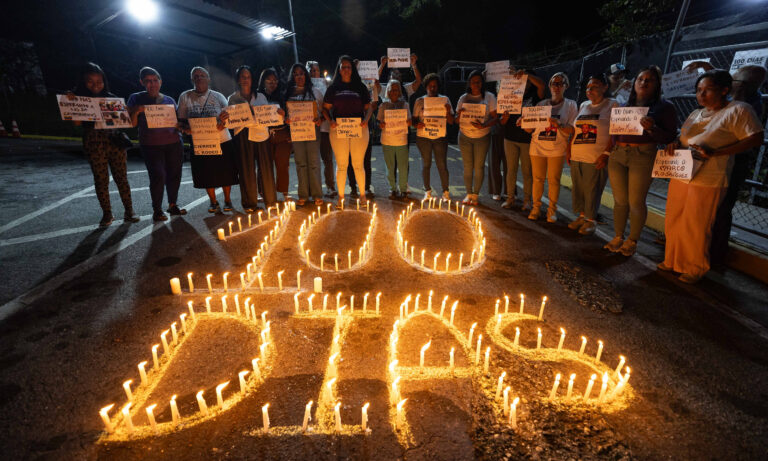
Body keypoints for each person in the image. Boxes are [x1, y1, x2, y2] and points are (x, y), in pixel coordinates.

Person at [659, 69, 763, 283]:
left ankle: (694, 266)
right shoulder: (696, 113)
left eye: (707, 90)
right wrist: (675, 144)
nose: (701, 95)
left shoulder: (738, 110)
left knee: (697, 223)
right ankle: (672, 260)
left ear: (724, 90)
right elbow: (683, 138)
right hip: (682, 173)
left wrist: (718, 152)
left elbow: (756, 138)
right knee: (674, 218)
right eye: (698, 90)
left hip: (710, 178)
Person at [604, 66, 678, 256]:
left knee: (636, 201)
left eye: (649, 80)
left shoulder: (664, 107)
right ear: (634, 83)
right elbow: (614, 133)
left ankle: (632, 240)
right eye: (640, 79)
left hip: (643, 156)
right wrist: (609, 152)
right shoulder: (623, 107)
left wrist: (652, 128)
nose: (643, 83)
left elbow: (668, 137)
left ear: (657, 84)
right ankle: (618, 236)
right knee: (620, 201)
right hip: (618, 155)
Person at [710, 65, 767, 264]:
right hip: (719, 160)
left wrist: (720, 151)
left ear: (741, 84)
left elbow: (753, 138)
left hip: (733, 162)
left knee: (722, 207)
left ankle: (716, 253)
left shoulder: (746, 105)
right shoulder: (744, 98)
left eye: (733, 81)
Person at [70, 62, 139, 227]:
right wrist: (71, 102)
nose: (95, 85)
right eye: (90, 81)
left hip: (114, 140)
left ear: (104, 81)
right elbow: (78, 123)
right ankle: (107, 214)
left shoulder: (112, 98)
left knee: (121, 178)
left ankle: (129, 211)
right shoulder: (79, 100)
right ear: (83, 82)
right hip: (93, 142)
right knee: (100, 180)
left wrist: (134, 112)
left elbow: (125, 123)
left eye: (99, 81)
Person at [127, 67, 186, 222]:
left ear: (160, 82)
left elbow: (177, 122)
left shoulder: (169, 100)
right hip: (151, 146)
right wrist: (137, 111)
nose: (152, 84)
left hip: (173, 143)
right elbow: (132, 124)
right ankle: (157, 209)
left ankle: (173, 204)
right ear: (142, 82)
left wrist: (180, 126)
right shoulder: (135, 98)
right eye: (148, 81)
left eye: (155, 81)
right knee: (158, 176)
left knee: (174, 175)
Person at [177, 66, 238, 213]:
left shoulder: (218, 96)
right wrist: (185, 129)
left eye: (202, 75)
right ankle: (213, 201)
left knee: (226, 172)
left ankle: (228, 200)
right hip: (200, 142)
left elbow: (230, 117)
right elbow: (181, 120)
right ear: (192, 79)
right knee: (205, 173)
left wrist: (223, 122)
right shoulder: (185, 97)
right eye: (196, 76)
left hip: (222, 140)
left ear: (208, 79)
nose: (199, 78)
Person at [568, 74, 619, 235]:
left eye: (595, 86)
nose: (590, 90)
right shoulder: (583, 105)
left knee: (592, 189)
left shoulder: (613, 104)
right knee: (579, 189)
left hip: (596, 156)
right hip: (577, 154)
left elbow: (616, 132)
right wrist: (569, 149)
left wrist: (606, 153)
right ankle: (582, 216)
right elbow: (575, 130)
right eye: (588, 87)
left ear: (605, 87)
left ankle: (591, 220)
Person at [524, 72, 578, 222]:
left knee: (554, 180)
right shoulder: (541, 105)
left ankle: (551, 210)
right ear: (549, 86)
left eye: (561, 83)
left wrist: (559, 124)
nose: (557, 86)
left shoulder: (571, 105)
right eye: (554, 83)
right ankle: (536, 208)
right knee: (538, 179)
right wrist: (523, 122)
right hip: (537, 147)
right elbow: (529, 130)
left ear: (566, 86)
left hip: (557, 148)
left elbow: (572, 129)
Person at [321, 55, 372, 207]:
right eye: (343, 67)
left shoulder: (360, 86)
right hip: (338, 131)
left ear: (352, 69)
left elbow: (369, 108)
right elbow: (325, 108)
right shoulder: (333, 88)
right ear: (339, 69)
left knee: (358, 164)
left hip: (359, 129)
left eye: (348, 67)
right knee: (342, 164)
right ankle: (341, 197)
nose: (346, 70)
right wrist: (330, 121)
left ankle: (362, 195)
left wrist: (366, 121)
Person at [499, 69, 546, 210]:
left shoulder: (535, 96)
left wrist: (526, 75)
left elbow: (542, 85)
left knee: (527, 171)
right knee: (510, 170)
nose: (523, 84)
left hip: (527, 140)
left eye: (525, 81)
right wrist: (505, 118)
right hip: (510, 138)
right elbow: (502, 121)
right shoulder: (509, 94)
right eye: (520, 81)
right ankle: (510, 198)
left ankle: (527, 200)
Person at [456, 69, 497, 206]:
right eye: (473, 82)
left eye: (479, 82)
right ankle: (468, 194)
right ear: (469, 83)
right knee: (467, 166)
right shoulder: (463, 98)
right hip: (464, 136)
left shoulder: (489, 97)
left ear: (482, 83)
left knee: (479, 166)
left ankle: (476, 195)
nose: (476, 84)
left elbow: (495, 118)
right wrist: (459, 114)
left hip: (482, 136)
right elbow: (456, 120)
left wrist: (484, 125)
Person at [285, 63, 324, 206]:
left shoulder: (315, 91)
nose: (299, 76)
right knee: (300, 163)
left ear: (305, 75)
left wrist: (320, 119)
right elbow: (285, 114)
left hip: (312, 131)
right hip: (297, 133)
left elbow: (324, 112)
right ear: (292, 77)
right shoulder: (289, 93)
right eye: (295, 74)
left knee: (314, 163)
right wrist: (287, 120)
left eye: (301, 73)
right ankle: (303, 194)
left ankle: (317, 194)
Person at [227, 65, 264, 213]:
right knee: (246, 170)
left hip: (260, 135)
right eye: (242, 76)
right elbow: (228, 120)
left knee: (263, 168)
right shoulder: (232, 98)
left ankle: (266, 198)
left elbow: (268, 115)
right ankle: (249, 203)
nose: (245, 79)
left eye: (248, 77)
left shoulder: (260, 96)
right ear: (238, 79)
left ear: (252, 79)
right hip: (242, 136)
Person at [412, 73, 455, 200]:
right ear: (426, 87)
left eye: (435, 86)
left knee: (442, 165)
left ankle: (445, 192)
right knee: (426, 164)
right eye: (430, 86)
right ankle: (427, 191)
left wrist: (447, 111)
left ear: (438, 87)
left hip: (440, 137)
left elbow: (452, 121)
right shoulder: (420, 101)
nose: (432, 88)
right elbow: (414, 120)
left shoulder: (445, 99)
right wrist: (417, 124)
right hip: (423, 137)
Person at [258, 68, 292, 202]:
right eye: (269, 80)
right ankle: (261, 191)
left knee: (283, 164)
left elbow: (290, 116)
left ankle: (284, 191)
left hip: (282, 133)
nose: (273, 83)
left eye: (275, 80)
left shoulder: (282, 96)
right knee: (264, 165)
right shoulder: (258, 96)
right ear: (263, 82)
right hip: (264, 135)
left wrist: (285, 116)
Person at [377, 80, 412, 199]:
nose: (394, 91)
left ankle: (403, 189)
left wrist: (408, 122)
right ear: (387, 91)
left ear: (400, 91)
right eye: (391, 89)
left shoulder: (405, 105)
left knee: (403, 166)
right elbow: (379, 121)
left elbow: (410, 121)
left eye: (396, 89)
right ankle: (392, 189)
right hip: (387, 140)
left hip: (401, 140)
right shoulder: (383, 105)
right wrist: (381, 124)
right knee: (390, 167)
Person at [307, 61, 337, 198]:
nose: (314, 73)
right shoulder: (304, 87)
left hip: (324, 127)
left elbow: (329, 106)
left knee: (327, 158)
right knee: (311, 160)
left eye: (316, 70)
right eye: (311, 71)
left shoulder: (326, 84)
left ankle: (330, 186)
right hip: (308, 129)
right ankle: (312, 187)